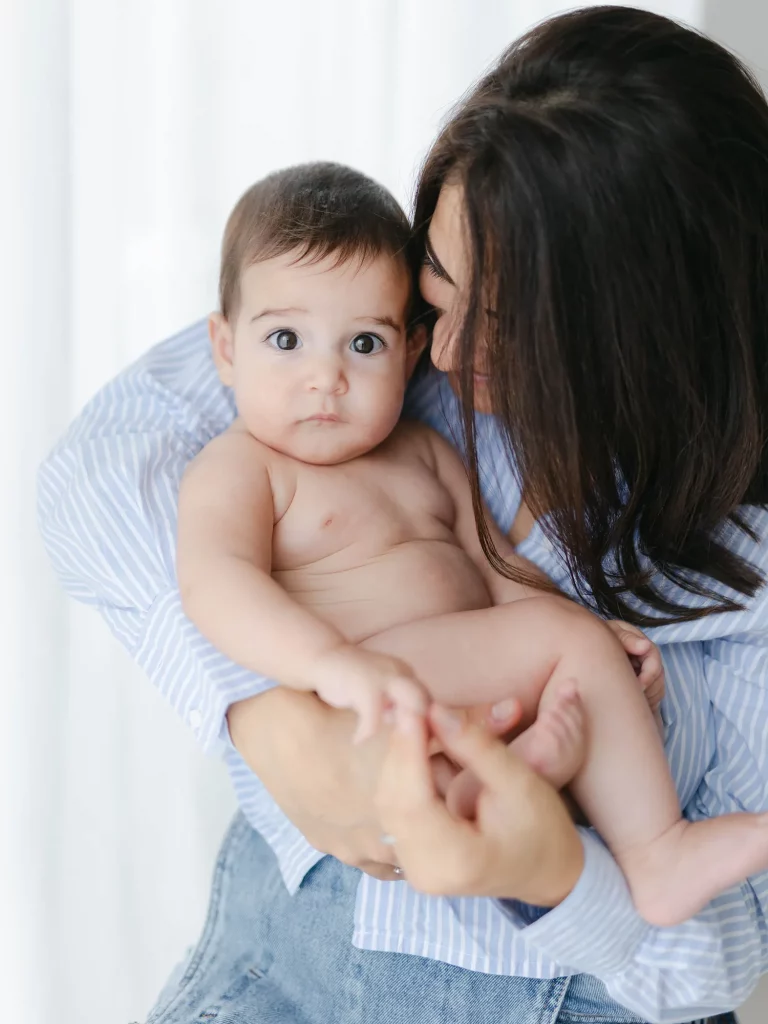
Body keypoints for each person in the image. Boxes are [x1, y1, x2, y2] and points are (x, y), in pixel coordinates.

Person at [36, 5, 765, 1022]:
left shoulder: (742, 576)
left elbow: (714, 963)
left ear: (642, 335)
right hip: (277, 971)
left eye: (507, 323)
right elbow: (98, 471)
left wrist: (556, 873)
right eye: (439, 287)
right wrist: (272, 715)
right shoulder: (344, 349)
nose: (445, 353)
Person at [179, 159, 766, 932]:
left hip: (451, 702)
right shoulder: (243, 466)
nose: (326, 377)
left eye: (364, 343)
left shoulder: (424, 450)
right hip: (366, 693)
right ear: (225, 348)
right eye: (286, 339)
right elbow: (215, 581)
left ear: (410, 350)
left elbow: (496, 568)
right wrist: (328, 664)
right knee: (562, 647)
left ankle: (512, 783)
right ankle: (657, 852)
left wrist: (592, 641)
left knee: (570, 665)